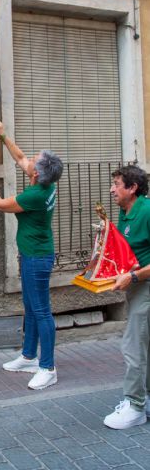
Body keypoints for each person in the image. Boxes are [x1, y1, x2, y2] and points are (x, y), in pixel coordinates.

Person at [0, 120, 63, 390]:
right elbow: (21, 157)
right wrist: (3, 136)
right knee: (31, 307)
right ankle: (28, 356)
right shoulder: (47, 183)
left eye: (34, 163)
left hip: (37, 258)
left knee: (41, 311)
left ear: (36, 175)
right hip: (32, 254)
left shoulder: (36, 195)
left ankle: (47, 367)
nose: (30, 161)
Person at [104, 165, 150, 429]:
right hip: (136, 286)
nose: (112, 189)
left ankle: (134, 407)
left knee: (133, 347)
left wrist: (132, 277)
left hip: (145, 287)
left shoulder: (147, 211)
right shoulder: (125, 211)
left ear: (132, 188)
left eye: (117, 184)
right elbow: (129, 253)